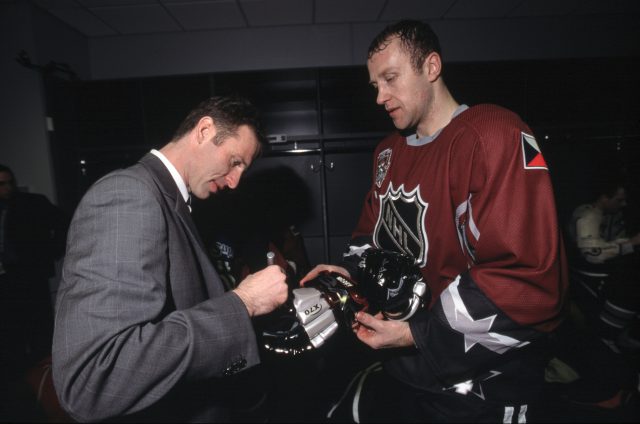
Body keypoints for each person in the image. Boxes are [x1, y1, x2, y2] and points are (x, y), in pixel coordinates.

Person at [301, 20, 568, 422]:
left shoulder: (493, 134)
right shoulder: (387, 152)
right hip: (408, 372)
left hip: (485, 385)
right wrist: (347, 276)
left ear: (431, 66)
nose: (380, 97)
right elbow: (371, 240)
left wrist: (416, 333)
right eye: (375, 85)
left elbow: (527, 276)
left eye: (390, 78)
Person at [51, 96, 289, 422]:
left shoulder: (172, 201)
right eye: (234, 161)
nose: (235, 181)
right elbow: (94, 379)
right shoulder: (128, 196)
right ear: (204, 130)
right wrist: (242, 303)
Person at [0, 164, 69, 420]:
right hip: (4, 282)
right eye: (0, 184)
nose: (6, 189)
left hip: (30, 278)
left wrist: (49, 253)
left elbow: (64, 223)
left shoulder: (31, 203)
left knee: (39, 330)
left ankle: (47, 388)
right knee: (11, 334)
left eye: (9, 182)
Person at [566, 176, 640, 353]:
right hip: (584, 269)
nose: (623, 204)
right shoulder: (588, 215)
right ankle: (606, 335)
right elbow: (592, 255)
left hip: (606, 266)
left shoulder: (613, 216)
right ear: (604, 198)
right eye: (619, 200)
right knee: (631, 282)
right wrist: (632, 243)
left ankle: (624, 331)